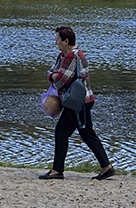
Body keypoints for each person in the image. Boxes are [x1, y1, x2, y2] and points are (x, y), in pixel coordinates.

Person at [39, 25, 115, 181]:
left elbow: (61, 81)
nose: (56, 43)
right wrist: (53, 76)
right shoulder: (63, 56)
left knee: (62, 132)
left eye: (57, 40)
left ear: (66, 41)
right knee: (86, 133)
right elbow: (49, 72)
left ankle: (57, 170)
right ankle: (106, 167)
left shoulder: (73, 56)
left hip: (78, 103)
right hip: (80, 101)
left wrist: (54, 76)